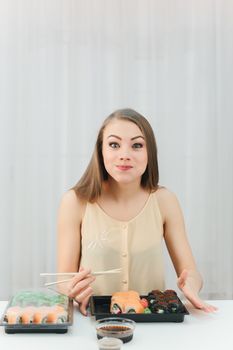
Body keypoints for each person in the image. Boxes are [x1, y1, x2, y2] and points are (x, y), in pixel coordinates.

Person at [57, 108, 217, 316]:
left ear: (149, 153)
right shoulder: (76, 202)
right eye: (114, 145)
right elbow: (63, 280)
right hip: (94, 322)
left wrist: (192, 285)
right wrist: (71, 289)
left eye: (137, 145)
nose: (125, 155)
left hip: (153, 322)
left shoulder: (165, 201)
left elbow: (192, 273)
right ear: (101, 151)